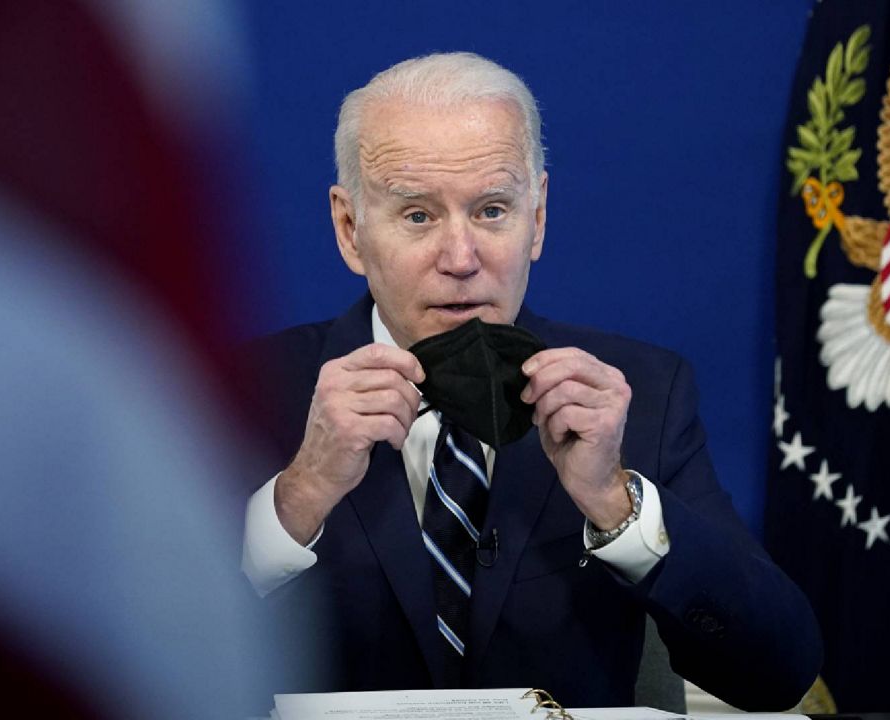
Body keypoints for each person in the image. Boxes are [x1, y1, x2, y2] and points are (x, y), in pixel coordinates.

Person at [239, 52, 821, 711]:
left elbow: (779, 671)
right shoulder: (244, 389)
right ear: (350, 229)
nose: (461, 259)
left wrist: (616, 503)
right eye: (418, 216)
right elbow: (133, 654)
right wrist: (299, 498)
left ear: (537, 218)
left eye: (491, 211)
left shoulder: (642, 394)